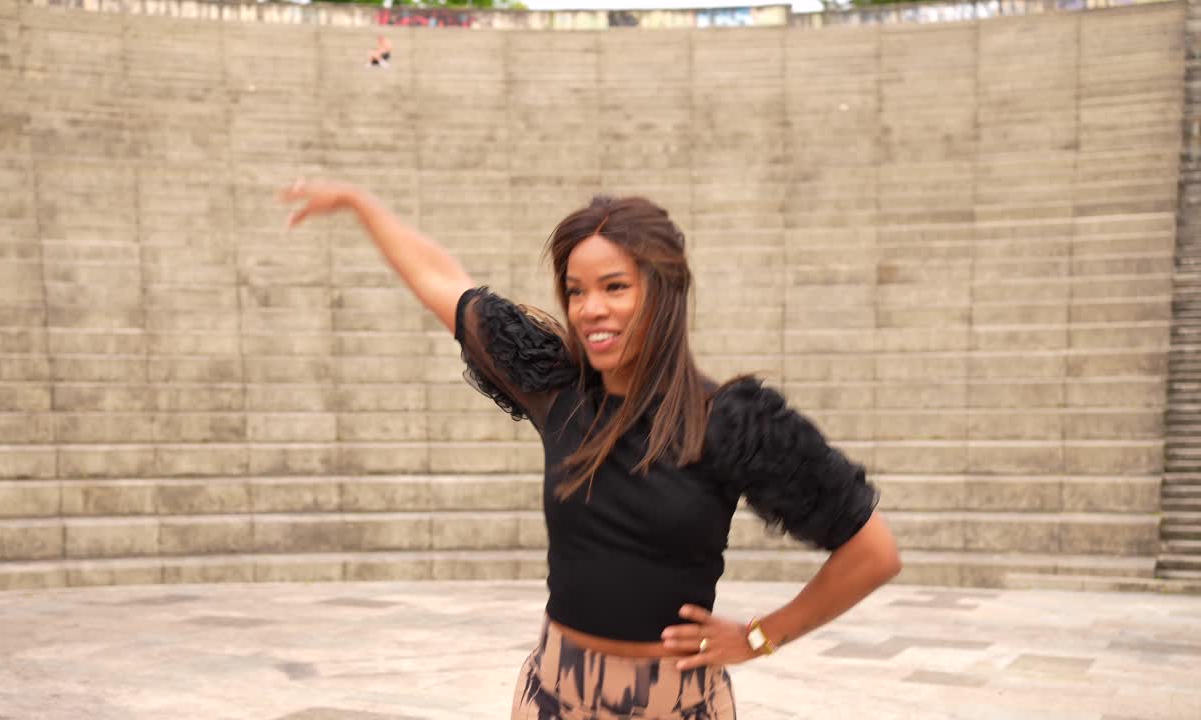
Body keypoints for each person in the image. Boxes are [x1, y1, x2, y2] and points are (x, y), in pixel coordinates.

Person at [278, 180, 902, 719]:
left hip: (676, 704)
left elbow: (873, 552)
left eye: (614, 286)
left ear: (662, 290)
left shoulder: (731, 422)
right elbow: (447, 282)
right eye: (576, 291)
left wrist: (762, 636)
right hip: (555, 695)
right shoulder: (556, 391)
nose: (590, 309)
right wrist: (362, 204)